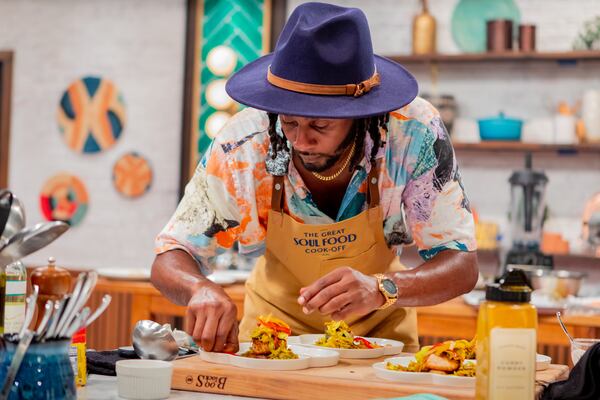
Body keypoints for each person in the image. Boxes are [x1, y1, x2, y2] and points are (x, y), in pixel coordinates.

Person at [151, 2, 478, 354]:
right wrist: (198, 287)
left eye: (320, 125)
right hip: (272, 342)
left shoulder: (412, 132)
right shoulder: (243, 143)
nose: (300, 140)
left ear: (360, 114)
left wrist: (383, 288)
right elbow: (172, 254)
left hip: (378, 345)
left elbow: (461, 264)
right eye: (289, 122)